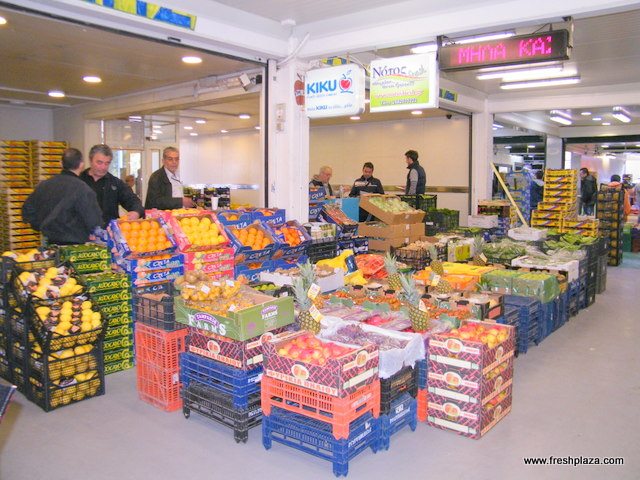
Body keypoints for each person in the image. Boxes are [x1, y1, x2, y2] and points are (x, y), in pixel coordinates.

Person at [22, 148, 103, 245]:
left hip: (49, 243)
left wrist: (39, 226)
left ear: (61, 163)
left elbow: (27, 210)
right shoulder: (83, 189)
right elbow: (94, 222)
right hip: (76, 246)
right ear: (81, 165)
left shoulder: (44, 185)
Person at [80, 144, 144, 226]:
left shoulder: (116, 184)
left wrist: (136, 212)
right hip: (82, 231)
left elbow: (133, 201)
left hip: (109, 230)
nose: (103, 167)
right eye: (99, 162)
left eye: (107, 163)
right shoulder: (78, 181)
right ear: (90, 160)